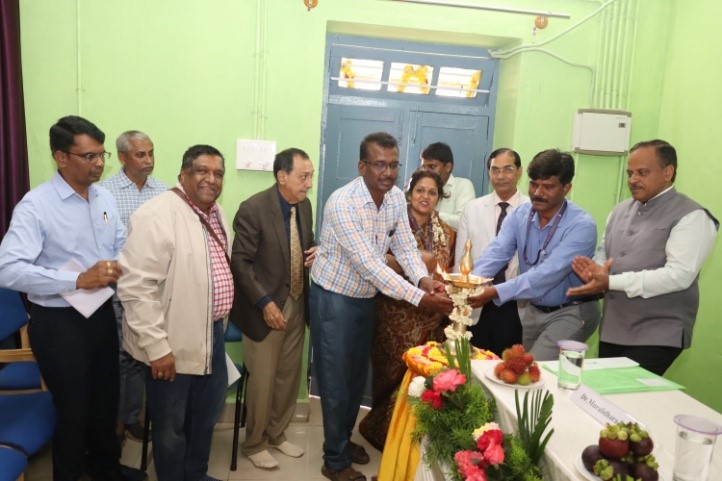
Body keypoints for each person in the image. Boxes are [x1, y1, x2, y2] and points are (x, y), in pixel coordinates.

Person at [0, 115, 145, 481]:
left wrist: (123, 262)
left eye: (101, 155)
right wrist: (77, 279)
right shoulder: (36, 205)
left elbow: (118, 244)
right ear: (61, 157)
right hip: (59, 323)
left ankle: (106, 470)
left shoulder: (103, 197)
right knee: (73, 411)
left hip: (100, 313)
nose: (98, 164)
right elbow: (8, 269)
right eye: (88, 156)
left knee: (105, 401)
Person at [310, 132, 454, 481]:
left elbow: (404, 246)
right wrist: (421, 297)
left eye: (393, 165)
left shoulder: (392, 200)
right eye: (379, 164)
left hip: (365, 299)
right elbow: (371, 266)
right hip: (334, 299)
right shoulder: (343, 203)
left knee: (355, 377)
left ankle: (342, 441)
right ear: (362, 166)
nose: (387, 172)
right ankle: (334, 460)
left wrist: (424, 280)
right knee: (336, 381)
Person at [117, 144, 232, 481]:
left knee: (204, 417)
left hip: (212, 333)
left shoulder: (217, 213)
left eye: (218, 173)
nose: (211, 179)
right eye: (202, 171)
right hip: (170, 340)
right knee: (170, 426)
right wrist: (157, 348)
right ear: (183, 174)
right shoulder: (156, 215)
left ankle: (195, 475)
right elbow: (136, 288)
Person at [567, 139, 719, 375]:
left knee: (626, 393)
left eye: (642, 172)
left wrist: (611, 282)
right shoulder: (619, 210)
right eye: (630, 173)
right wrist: (597, 269)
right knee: (604, 394)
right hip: (613, 328)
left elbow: (679, 276)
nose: (633, 180)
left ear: (668, 172)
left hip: (659, 332)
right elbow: (605, 250)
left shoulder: (693, 216)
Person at [229, 148, 317, 469]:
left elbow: (306, 242)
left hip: (297, 302)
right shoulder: (253, 208)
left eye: (310, 176)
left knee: (288, 377)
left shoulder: (304, 206)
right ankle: (254, 443)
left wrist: (316, 250)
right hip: (263, 308)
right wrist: (264, 302)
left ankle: (277, 434)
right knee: (263, 380)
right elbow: (240, 262)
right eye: (303, 176)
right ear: (282, 176)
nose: (309, 183)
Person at [468, 149, 600, 361]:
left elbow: (547, 274)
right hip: (533, 311)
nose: (538, 192)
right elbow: (496, 252)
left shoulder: (581, 225)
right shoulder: (520, 215)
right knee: (527, 373)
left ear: (566, 187)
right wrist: (469, 283)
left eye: (548, 187)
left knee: (535, 368)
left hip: (571, 312)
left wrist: (493, 292)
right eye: (533, 184)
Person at [358, 169, 456, 452]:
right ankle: (381, 433)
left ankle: (410, 438)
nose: (425, 196)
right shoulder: (392, 223)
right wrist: (416, 262)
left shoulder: (447, 233)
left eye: (432, 192)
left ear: (439, 198)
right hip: (393, 313)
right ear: (410, 193)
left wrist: (441, 307)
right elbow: (377, 260)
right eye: (420, 190)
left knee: (422, 378)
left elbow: (447, 274)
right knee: (390, 376)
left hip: (430, 318)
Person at [99, 130, 167, 442]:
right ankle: (121, 420)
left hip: (157, 291)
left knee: (150, 354)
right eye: (141, 155)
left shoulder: (163, 192)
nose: (148, 160)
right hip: (120, 290)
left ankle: (140, 418)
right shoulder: (104, 193)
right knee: (124, 358)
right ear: (123, 157)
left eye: (151, 153)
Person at [456, 148, 529, 356]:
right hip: (478, 304)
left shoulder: (532, 209)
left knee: (510, 366)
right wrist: (460, 300)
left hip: (516, 305)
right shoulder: (473, 208)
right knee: (475, 363)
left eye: (507, 169)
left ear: (519, 172)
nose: (500, 176)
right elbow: (461, 259)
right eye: (495, 170)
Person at [420, 142, 475, 231]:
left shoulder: (463, 185)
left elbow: (463, 222)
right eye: (423, 167)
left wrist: (431, 214)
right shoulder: (419, 188)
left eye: (432, 166)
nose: (426, 172)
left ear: (448, 167)